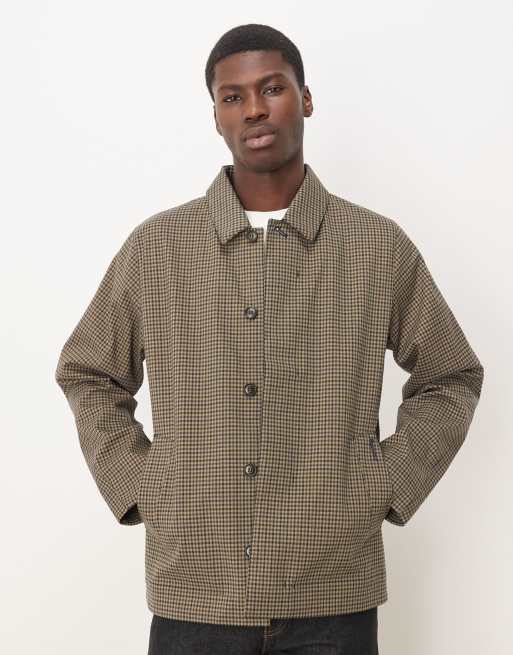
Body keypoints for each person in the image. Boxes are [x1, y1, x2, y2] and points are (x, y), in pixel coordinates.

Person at [55, 23, 485, 655]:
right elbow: (88, 371)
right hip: (195, 593)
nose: (253, 108)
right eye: (233, 97)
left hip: (333, 593)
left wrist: (384, 485)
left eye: (272, 88)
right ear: (216, 118)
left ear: (305, 99)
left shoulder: (376, 246)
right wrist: (143, 484)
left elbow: (451, 376)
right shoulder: (157, 248)